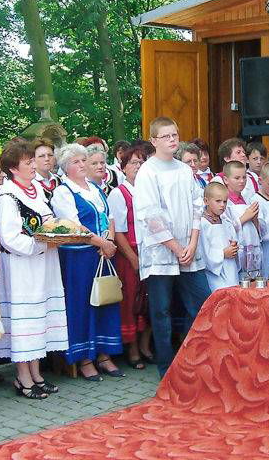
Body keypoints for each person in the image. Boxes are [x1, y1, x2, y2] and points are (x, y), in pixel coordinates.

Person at [133, 117, 211, 378]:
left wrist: (192, 242)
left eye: (175, 134)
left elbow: (197, 205)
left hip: (189, 249)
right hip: (162, 253)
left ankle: (195, 360)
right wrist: (177, 248)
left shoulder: (183, 170)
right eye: (166, 136)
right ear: (154, 141)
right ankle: (167, 367)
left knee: (200, 304)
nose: (172, 140)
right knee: (162, 310)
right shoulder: (148, 172)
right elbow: (150, 215)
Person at [0, 140, 69, 399]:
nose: (33, 165)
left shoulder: (35, 188)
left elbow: (47, 220)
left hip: (44, 264)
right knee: (26, 320)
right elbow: (9, 238)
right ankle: (23, 377)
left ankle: (36, 373)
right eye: (28, 162)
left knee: (41, 317)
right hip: (22, 268)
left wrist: (59, 233)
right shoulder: (7, 197)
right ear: (14, 169)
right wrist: (41, 244)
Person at [50, 144, 124, 381]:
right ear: (65, 167)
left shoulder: (94, 188)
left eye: (84, 160)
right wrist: (101, 243)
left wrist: (109, 241)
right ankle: (84, 358)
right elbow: (73, 226)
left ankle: (104, 354)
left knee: (105, 300)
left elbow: (109, 217)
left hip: (102, 253)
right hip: (79, 256)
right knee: (83, 304)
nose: (82, 165)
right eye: (76, 162)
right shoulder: (63, 192)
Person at [107, 145, 152, 369]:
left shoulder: (149, 191)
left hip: (151, 252)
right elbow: (118, 231)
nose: (138, 167)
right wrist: (133, 258)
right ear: (123, 168)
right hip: (130, 254)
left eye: (142, 162)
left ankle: (145, 345)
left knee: (148, 301)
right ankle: (132, 349)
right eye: (133, 163)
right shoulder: (118, 193)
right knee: (131, 302)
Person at [221, 161, 262, 279]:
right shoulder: (224, 202)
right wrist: (244, 218)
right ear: (226, 180)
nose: (242, 181)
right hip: (238, 252)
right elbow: (224, 229)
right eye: (237, 178)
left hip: (252, 248)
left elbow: (258, 230)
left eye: (244, 177)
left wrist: (255, 219)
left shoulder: (248, 199)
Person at [198, 182, 239, 291]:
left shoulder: (226, 222)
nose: (222, 205)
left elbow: (233, 240)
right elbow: (203, 253)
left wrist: (234, 247)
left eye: (225, 201)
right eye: (218, 201)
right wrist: (222, 254)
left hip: (231, 270)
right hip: (215, 275)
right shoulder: (203, 224)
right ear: (206, 201)